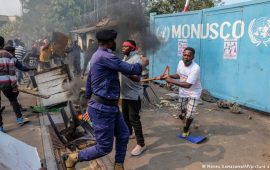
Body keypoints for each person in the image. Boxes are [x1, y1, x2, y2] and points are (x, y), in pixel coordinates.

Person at [62, 29, 149, 170]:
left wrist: (88, 100)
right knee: (104, 147)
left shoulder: (98, 56)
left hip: (109, 107)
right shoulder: (105, 57)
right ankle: (73, 157)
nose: (116, 43)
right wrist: (142, 65)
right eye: (114, 41)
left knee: (123, 134)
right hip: (103, 108)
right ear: (109, 42)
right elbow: (129, 68)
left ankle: (118, 165)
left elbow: (90, 79)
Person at [161, 47, 202, 137]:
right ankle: (185, 118)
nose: (186, 57)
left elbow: (188, 85)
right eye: (184, 55)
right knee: (180, 113)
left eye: (189, 55)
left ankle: (186, 128)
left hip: (194, 92)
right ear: (182, 55)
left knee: (190, 114)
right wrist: (168, 76)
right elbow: (178, 75)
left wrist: (170, 81)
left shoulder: (195, 68)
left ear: (193, 57)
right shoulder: (180, 63)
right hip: (183, 91)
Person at [120, 40, 146, 156]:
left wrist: (125, 72)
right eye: (123, 46)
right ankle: (129, 133)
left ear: (132, 48)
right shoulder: (124, 58)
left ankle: (141, 144)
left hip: (134, 94)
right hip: (124, 93)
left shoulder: (136, 60)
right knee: (125, 116)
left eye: (126, 46)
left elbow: (137, 78)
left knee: (134, 119)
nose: (123, 48)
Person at [0, 36, 30, 133]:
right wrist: (14, 86)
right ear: (3, 44)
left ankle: (0, 127)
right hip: (7, 83)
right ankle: (19, 119)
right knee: (13, 100)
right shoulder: (8, 55)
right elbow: (12, 72)